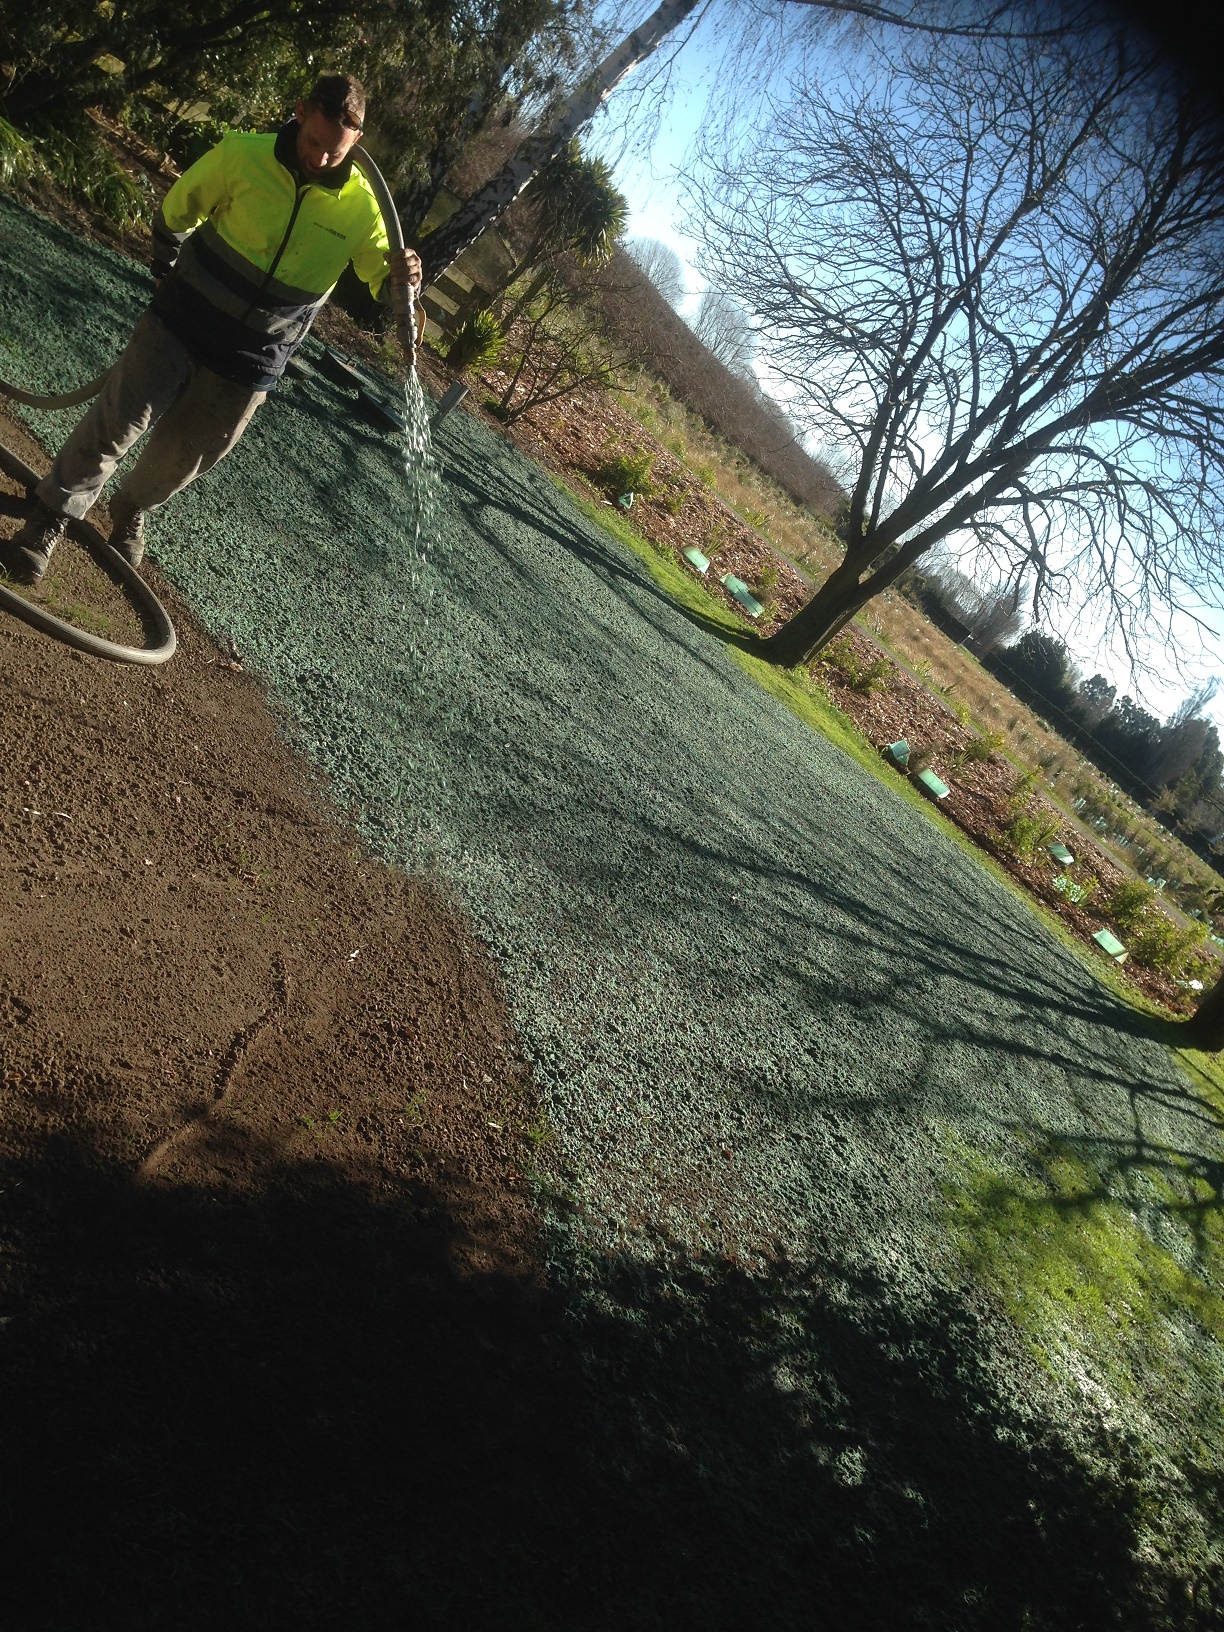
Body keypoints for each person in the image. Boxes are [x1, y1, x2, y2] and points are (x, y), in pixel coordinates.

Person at [9, 71, 422, 586]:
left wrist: (406, 278)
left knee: (185, 458)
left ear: (357, 141)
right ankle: (49, 520)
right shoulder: (242, 155)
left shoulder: (363, 208)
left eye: (333, 151)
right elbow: (176, 212)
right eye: (313, 142)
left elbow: (382, 280)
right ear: (300, 113)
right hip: (180, 321)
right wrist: (164, 269)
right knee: (115, 425)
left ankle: (132, 505)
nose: (319, 158)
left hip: (253, 359)